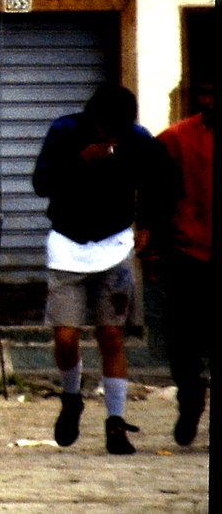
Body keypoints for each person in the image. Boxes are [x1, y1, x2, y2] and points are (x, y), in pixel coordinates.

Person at [32, 83, 161, 455]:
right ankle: (71, 396)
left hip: (115, 244)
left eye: (119, 130)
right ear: (93, 120)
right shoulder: (64, 131)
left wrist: (147, 223)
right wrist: (80, 161)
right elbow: (41, 183)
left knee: (111, 335)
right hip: (68, 244)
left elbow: (160, 179)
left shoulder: (137, 139)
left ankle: (115, 422)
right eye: (107, 129)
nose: (112, 137)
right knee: (66, 337)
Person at [145, 79, 213, 446]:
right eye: (206, 92)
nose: (211, 100)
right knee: (183, 342)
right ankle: (190, 403)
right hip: (186, 254)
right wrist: (153, 251)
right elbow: (154, 201)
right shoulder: (173, 140)